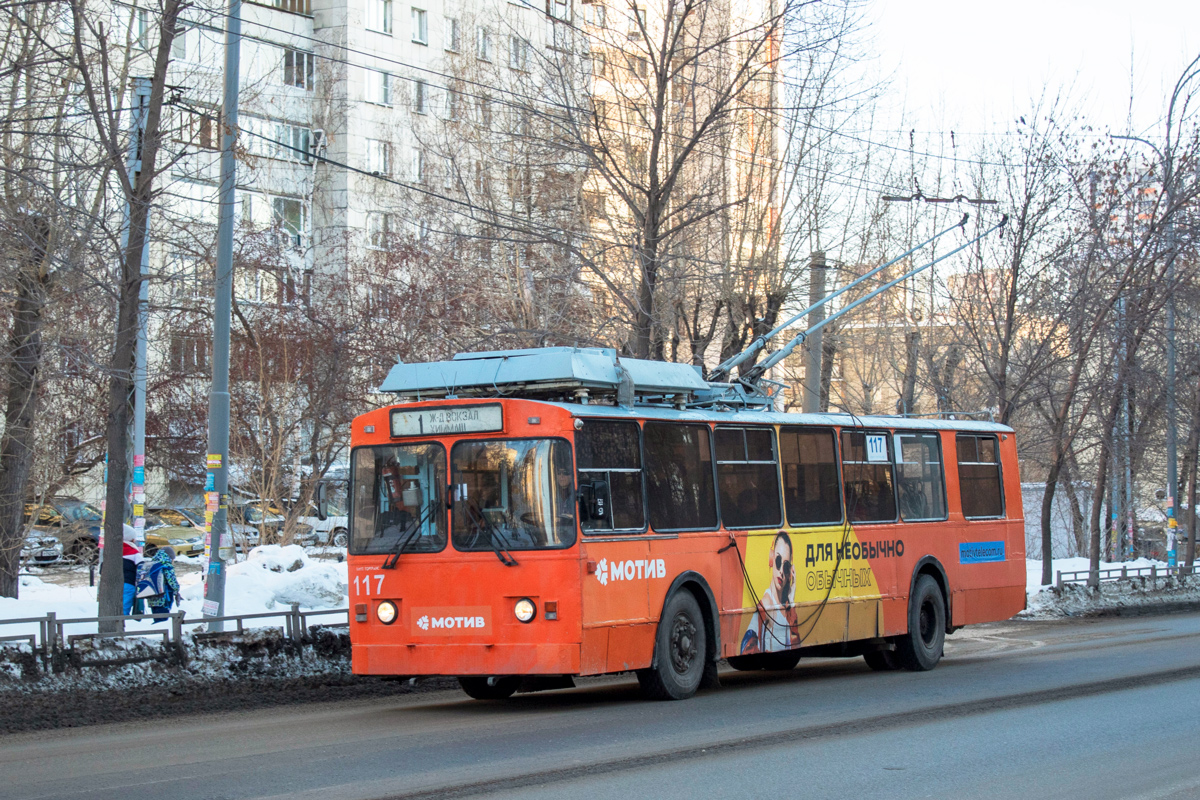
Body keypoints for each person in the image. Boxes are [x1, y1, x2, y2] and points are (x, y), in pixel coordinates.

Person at [740, 531, 800, 654]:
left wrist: (792, 601)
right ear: (771, 558)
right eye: (778, 561)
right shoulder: (766, 604)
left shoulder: (787, 607)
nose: (781, 572)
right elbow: (747, 648)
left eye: (786, 566)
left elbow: (796, 646)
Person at [141, 544, 181, 622]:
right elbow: (172, 581)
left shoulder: (152, 564)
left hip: (152, 596)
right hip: (163, 597)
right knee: (163, 621)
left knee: (156, 619)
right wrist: (177, 589)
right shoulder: (166, 565)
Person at [121, 524, 143, 616]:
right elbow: (142, 569)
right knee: (124, 607)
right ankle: (121, 625)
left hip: (112, 584)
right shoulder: (135, 553)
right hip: (128, 584)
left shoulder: (112, 551)